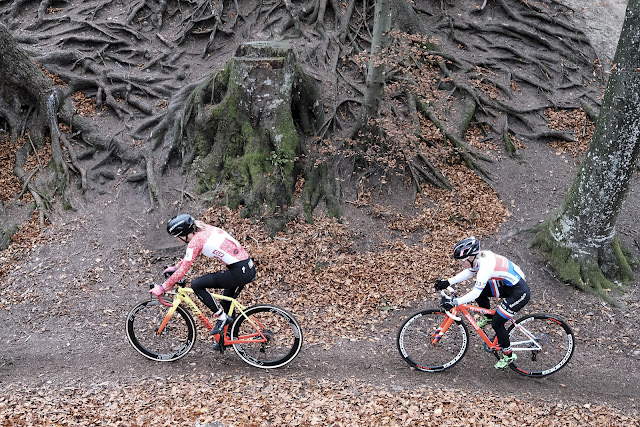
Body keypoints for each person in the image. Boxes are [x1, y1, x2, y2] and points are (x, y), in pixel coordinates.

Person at [150, 213, 256, 344]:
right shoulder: (203, 229)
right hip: (245, 266)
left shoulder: (196, 241)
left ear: (184, 234)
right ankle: (229, 339)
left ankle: (221, 317)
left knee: (197, 285)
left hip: (239, 271)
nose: (177, 240)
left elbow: (184, 269)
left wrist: (162, 287)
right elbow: (190, 256)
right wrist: (176, 267)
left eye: (177, 237)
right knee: (226, 302)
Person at [434, 237, 531, 370]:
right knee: (484, 289)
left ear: (472, 257)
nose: (461, 263)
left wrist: (455, 302)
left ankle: (508, 355)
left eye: (462, 261)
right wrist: (448, 282)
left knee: (498, 322)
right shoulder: (478, 259)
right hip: (508, 283)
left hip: (519, 291)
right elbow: (469, 272)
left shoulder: (486, 265)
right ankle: (488, 317)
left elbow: (475, 293)